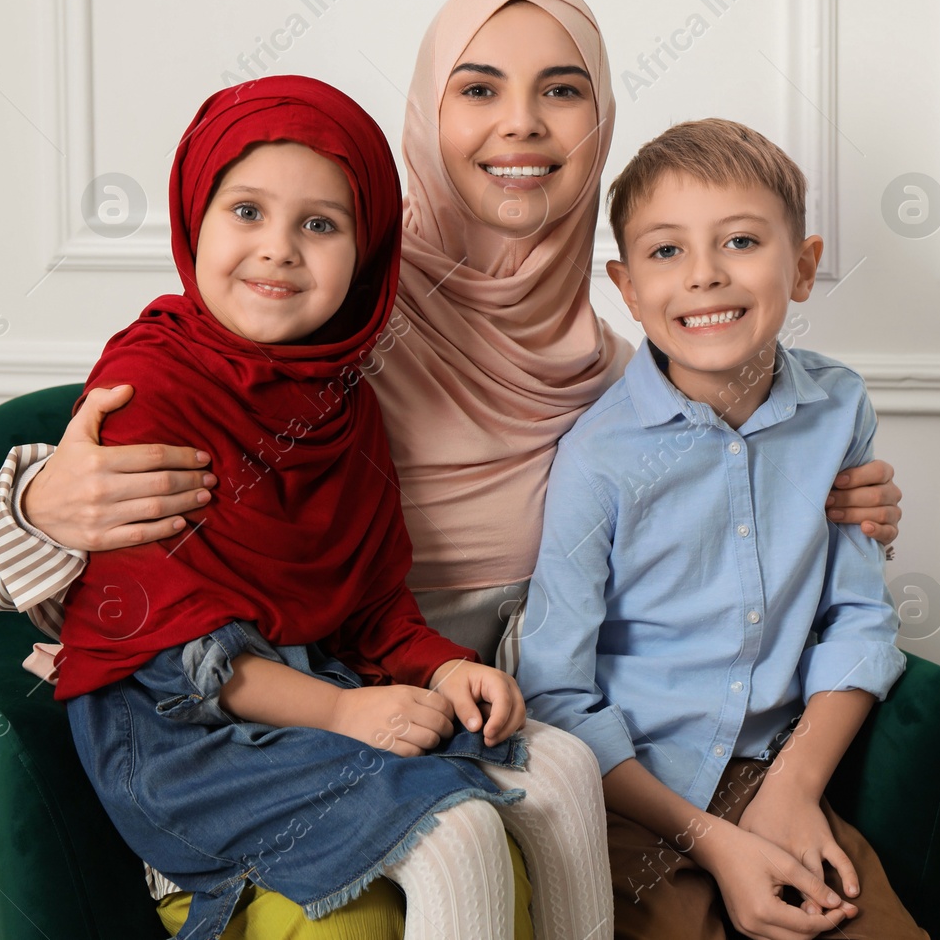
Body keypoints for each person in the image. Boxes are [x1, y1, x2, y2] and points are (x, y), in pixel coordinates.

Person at [0, 0, 903, 937]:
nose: (523, 123)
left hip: (499, 710)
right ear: (426, 111)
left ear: (601, 120)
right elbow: (93, 551)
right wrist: (41, 502)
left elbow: (741, 533)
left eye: (562, 88)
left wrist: (843, 501)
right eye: (478, 86)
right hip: (296, 715)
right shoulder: (338, 323)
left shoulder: (629, 374)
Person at [47, 75, 610, 940]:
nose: (278, 249)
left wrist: (443, 669)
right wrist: (347, 711)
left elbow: (375, 605)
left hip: (319, 698)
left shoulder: (341, 402)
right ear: (194, 215)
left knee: (565, 763)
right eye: (246, 212)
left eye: (320, 224)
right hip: (181, 743)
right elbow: (174, 656)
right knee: (455, 831)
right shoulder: (149, 386)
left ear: (367, 253)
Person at [518, 118, 926, 939]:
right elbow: (558, 692)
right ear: (627, 288)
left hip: (773, 777)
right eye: (667, 251)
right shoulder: (598, 457)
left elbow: (857, 616)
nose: (704, 276)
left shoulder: (838, 408)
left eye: (739, 240)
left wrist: (793, 788)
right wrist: (711, 840)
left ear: (802, 267)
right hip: (632, 800)